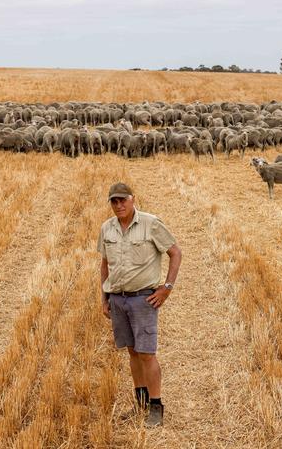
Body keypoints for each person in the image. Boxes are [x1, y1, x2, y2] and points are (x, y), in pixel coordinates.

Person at [97, 182, 182, 427]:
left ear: (133, 199)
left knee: (146, 353)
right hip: (118, 299)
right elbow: (105, 264)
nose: (119, 205)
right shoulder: (107, 228)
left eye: (123, 200)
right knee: (132, 352)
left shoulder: (151, 223)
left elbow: (175, 252)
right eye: (114, 201)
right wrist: (104, 297)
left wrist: (167, 288)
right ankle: (141, 403)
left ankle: (156, 406)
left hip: (143, 299)